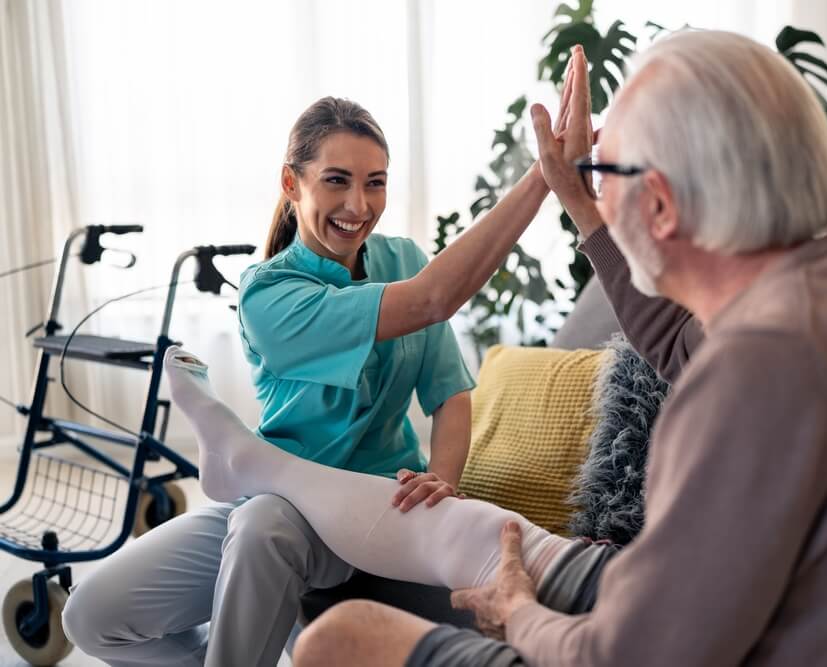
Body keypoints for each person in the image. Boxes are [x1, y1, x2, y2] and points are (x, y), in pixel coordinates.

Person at [292, 30, 827, 666]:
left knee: (341, 637)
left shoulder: (757, 368)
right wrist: (573, 192)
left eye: (606, 172)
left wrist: (519, 614)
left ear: (658, 203)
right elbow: (672, 341)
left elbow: (625, 653)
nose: (597, 187)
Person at [61, 47, 592, 667]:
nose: (358, 206)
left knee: (262, 527)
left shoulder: (403, 261)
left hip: (377, 506)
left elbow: (448, 391)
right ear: (292, 183)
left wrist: (443, 478)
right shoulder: (268, 294)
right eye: (336, 180)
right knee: (89, 617)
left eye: (375, 183)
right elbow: (433, 301)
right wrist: (543, 176)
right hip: (278, 501)